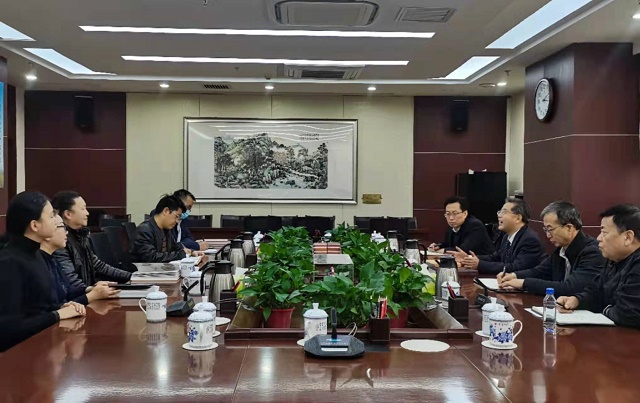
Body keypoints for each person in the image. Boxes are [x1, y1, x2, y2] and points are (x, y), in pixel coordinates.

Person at [0, 191, 85, 352]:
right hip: (17, 356)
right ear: (34, 225)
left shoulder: (38, 255)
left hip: (42, 347)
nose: (57, 221)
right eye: (51, 216)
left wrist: (62, 306)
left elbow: (39, 307)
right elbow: (9, 328)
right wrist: (57, 314)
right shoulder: (9, 263)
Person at [558, 205, 640, 328]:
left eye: (604, 233)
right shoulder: (613, 259)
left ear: (628, 237)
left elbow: (629, 314)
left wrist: (604, 309)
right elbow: (597, 292)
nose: (598, 238)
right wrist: (577, 300)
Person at [498, 201, 604, 296]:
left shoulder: (592, 252)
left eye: (550, 229)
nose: (548, 235)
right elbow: (540, 271)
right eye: (545, 230)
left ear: (569, 228)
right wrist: (514, 275)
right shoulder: (561, 249)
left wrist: (524, 283)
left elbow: (570, 288)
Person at [51, 191, 132, 287]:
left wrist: (132, 277)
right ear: (68, 214)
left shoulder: (81, 236)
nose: (87, 213)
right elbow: (71, 282)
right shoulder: (60, 242)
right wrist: (93, 290)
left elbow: (99, 266)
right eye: (83, 209)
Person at [41, 213, 120, 306]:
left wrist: (92, 289)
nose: (66, 232)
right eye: (62, 227)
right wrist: (92, 296)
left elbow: (68, 290)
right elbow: (52, 308)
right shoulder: (39, 264)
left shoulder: (51, 260)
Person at [457, 198, 545, 274]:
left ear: (518, 218)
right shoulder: (507, 236)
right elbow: (496, 257)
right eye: (499, 212)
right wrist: (469, 258)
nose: (499, 216)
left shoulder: (529, 240)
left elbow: (516, 268)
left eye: (504, 212)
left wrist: (479, 264)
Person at [133, 195, 195, 262]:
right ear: (166, 211)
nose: (177, 221)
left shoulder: (166, 229)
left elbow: (176, 247)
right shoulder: (144, 230)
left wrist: (191, 252)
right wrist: (181, 254)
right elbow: (152, 257)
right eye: (177, 216)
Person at [429, 196, 494, 255]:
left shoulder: (475, 225)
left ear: (465, 214)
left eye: (455, 213)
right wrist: (438, 246)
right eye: (448, 214)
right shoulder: (452, 225)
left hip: (482, 261)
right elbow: (448, 244)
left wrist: (444, 250)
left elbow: (464, 250)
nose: (451, 218)